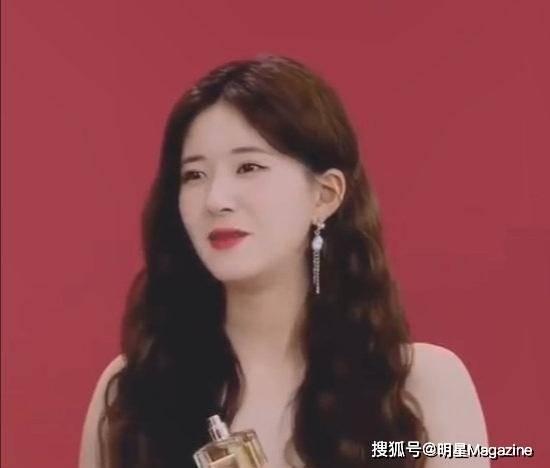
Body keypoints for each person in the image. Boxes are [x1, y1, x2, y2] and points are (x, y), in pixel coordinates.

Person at [79, 54, 488, 468]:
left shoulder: (422, 387)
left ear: (325, 195)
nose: (215, 200)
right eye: (194, 175)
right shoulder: (132, 393)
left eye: (248, 167)